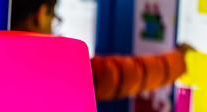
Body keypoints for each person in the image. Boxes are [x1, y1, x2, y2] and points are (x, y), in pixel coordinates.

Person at [11, 0, 191, 101]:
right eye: (53, 19)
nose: (52, 29)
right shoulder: (46, 68)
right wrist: (180, 61)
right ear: (41, 15)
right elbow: (117, 75)